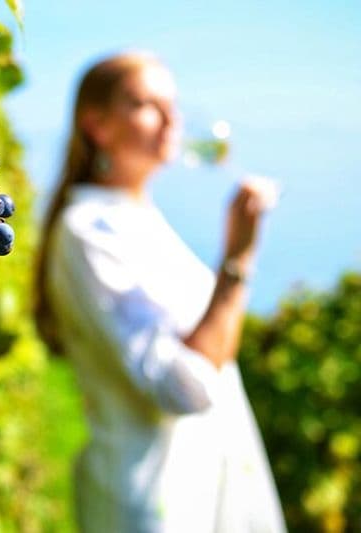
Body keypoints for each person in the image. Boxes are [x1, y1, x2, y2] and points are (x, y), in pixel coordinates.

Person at [35, 52, 287, 532]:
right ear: (98, 126)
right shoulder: (89, 232)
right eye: (146, 104)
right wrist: (238, 260)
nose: (173, 119)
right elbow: (184, 385)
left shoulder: (133, 216)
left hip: (195, 490)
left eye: (173, 103)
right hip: (159, 507)